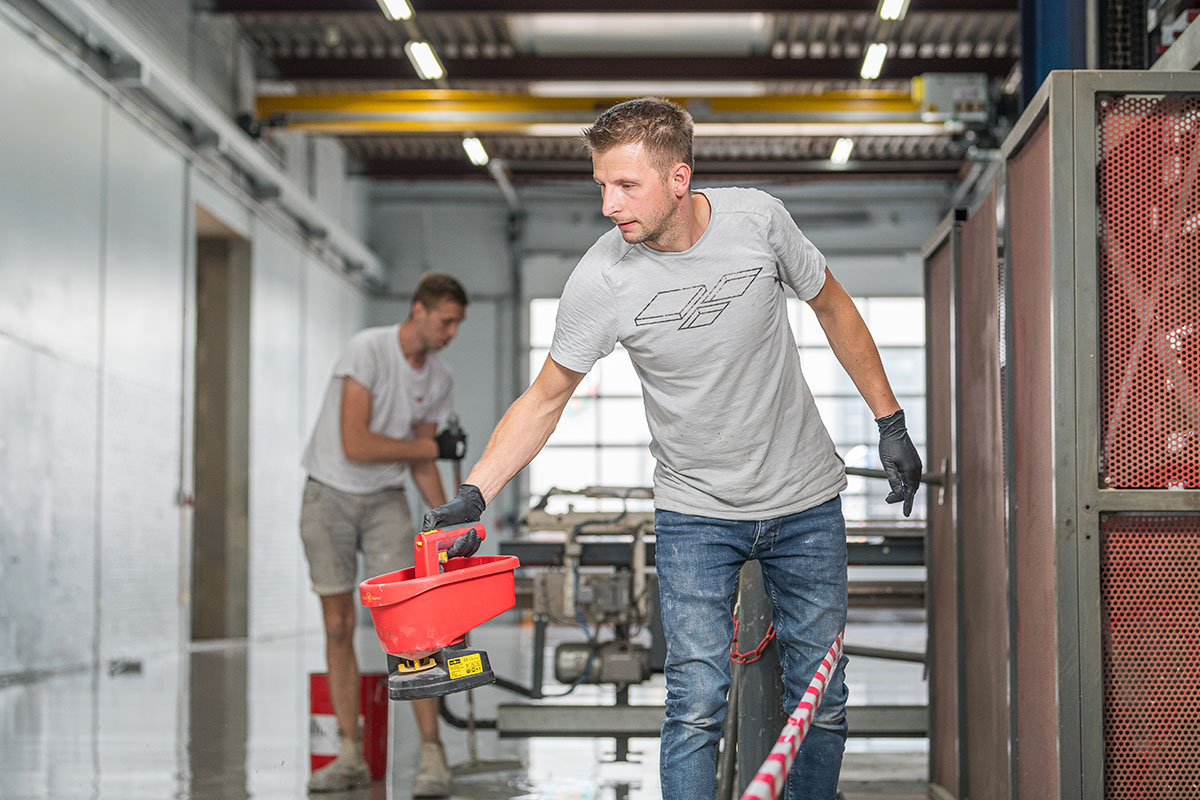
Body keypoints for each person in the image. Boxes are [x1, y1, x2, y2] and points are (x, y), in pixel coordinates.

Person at [423, 98, 923, 800]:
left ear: (679, 179)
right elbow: (546, 397)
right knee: (693, 704)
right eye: (601, 185)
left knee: (823, 696)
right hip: (694, 511)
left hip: (804, 499)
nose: (608, 205)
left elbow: (833, 306)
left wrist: (890, 420)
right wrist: (477, 491)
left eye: (625, 185)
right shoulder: (602, 279)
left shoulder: (759, 221)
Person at [300, 272, 470, 796]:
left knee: (410, 628)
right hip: (328, 492)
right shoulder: (367, 350)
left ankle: (432, 757)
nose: (452, 333)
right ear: (418, 310)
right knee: (336, 624)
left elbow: (422, 462)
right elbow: (356, 442)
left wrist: (450, 521)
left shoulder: (438, 379)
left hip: (385, 502)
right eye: (446, 321)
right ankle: (350, 753)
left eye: (458, 324)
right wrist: (433, 449)